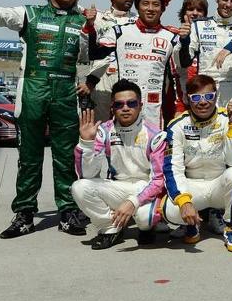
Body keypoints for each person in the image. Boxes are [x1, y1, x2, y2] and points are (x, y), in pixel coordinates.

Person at [0, 0, 99, 238]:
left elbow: (96, 54)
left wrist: (89, 79)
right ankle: (25, 214)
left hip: (66, 91)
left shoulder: (83, 21)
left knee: (65, 156)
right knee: (29, 157)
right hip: (32, 88)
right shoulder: (28, 13)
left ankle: (67, 212)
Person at [72, 80, 167, 249]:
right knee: (79, 187)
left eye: (131, 103)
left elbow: (159, 180)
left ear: (140, 105)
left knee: (146, 219)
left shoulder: (156, 135)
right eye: (119, 104)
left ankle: (146, 227)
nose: (125, 108)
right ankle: (110, 227)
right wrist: (86, 143)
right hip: (118, 187)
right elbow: (87, 174)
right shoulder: (103, 131)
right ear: (112, 107)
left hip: (145, 188)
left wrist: (134, 202)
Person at [162, 74, 232, 252]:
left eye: (208, 96)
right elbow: (173, 169)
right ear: (187, 99)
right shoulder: (177, 125)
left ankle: (231, 228)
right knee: (168, 210)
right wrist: (184, 202)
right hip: (192, 186)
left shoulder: (229, 119)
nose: (203, 102)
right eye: (196, 98)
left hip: (219, 184)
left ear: (216, 96)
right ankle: (191, 224)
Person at [87, 0, 181, 128]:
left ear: (162, 9)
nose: (150, 9)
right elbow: (95, 54)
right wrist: (90, 26)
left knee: (151, 148)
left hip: (155, 110)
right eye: (145, 4)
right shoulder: (120, 32)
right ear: (137, 7)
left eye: (156, 5)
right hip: (124, 106)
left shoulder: (172, 37)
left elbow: (179, 74)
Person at [85, 0, 135, 121]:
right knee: (101, 126)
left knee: (129, 124)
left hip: (129, 77)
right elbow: (71, 5)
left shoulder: (138, 21)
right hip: (101, 79)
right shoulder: (98, 17)